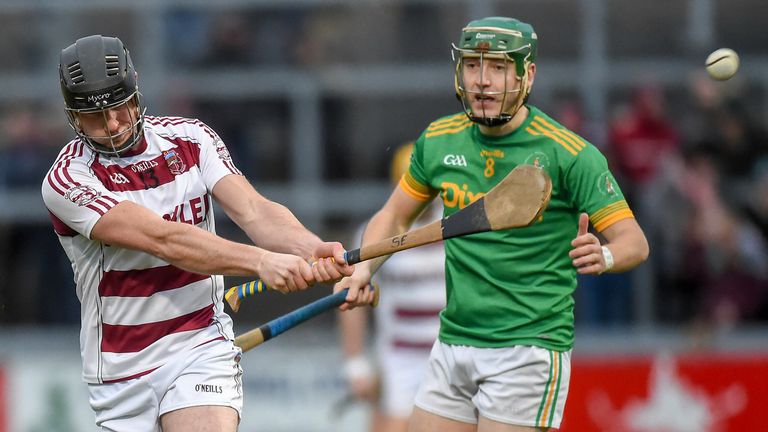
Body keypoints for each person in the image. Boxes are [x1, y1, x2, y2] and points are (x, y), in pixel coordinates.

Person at [334, 17, 649, 431]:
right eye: (472, 65)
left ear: (527, 75)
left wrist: (604, 254)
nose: (482, 80)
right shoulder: (439, 141)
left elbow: (634, 242)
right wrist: (363, 269)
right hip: (453, 343)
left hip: (527, 349)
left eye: (498, 68)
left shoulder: (570, 154)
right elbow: (393, 215)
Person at [40, 35, 353, 432]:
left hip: (199, 344)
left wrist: (311, 248)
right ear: (73, 117)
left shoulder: (190, 139)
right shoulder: (68, 180)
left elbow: (254, 210)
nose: (113, 124)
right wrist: (261, 262)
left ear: (136, 91)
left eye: (119, 106)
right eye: (95, 117)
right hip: (121, 370)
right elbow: (163, 239)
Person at [337, 142, 446, 432]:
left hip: (449, 352)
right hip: (399, 355)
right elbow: (350, 297)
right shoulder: (374, 233)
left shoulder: (456, 225)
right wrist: (356, 364)